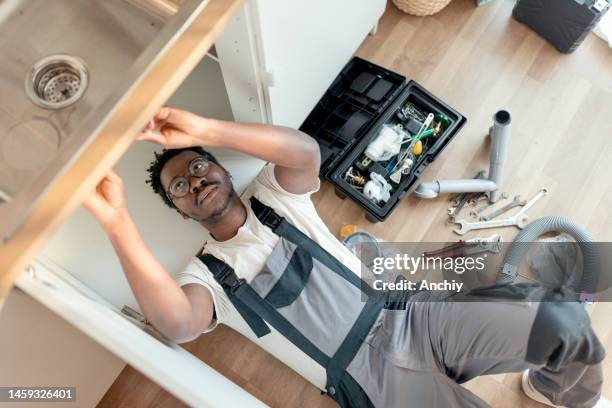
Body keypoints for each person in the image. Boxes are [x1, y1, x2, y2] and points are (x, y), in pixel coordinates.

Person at [84, 107, 609, 408]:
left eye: (199, 167)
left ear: (220, 170)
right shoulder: (206, 276)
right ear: (179, 211)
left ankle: (553, 390)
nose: (195, 180)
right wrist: (117, 223)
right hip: (372, 379)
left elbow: (305, 153)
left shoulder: (274, 193)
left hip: (414, 313)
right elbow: (175, 323)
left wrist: (202, 132)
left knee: (564, 324)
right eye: (180, 186)